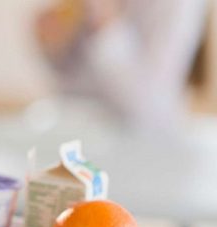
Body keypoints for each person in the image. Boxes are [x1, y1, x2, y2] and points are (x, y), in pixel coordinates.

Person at [35, 0, 207, 131]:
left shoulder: (179, 5)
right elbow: (76, 83)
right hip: (84, 134)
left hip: (147, 145)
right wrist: (53, 47)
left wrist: (106, 22)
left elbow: (150, 110)